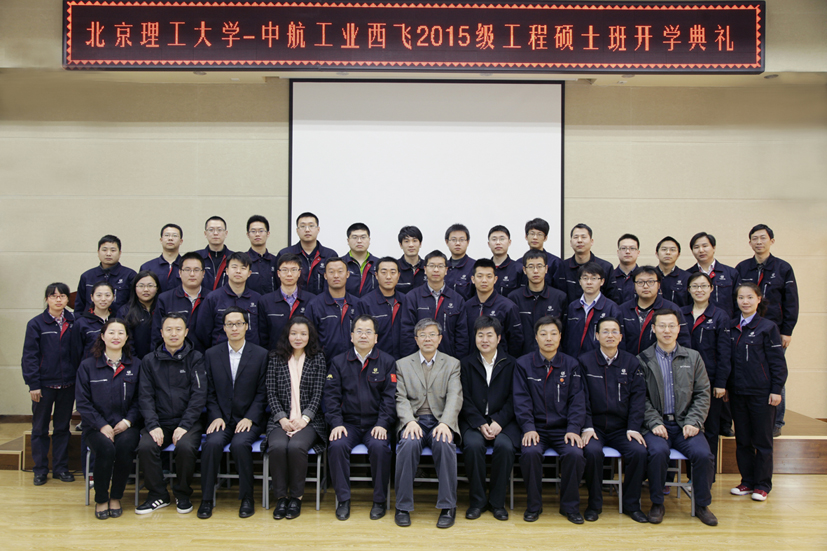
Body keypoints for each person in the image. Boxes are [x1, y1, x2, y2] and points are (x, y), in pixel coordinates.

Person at [638, 309, 718, 526]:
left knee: (703, 455)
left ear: (678, 329)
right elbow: (640, 398)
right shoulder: (643, 359)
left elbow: (703, 393)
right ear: (653, 329)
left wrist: (694, 421)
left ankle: (702, 504)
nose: (667, 330)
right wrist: (654, 422)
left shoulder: (693, 357)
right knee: (657, 453)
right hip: (656, 425)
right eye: (662, 326)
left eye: (671, 326)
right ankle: (657, 503)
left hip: (685, 424)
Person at [513, 316, 587, 524]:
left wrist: (573, 429)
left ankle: (570, 507)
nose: (548, 338)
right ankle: (533, 506)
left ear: (560, 337)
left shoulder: (571, 364)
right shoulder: (523, 364)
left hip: (564, 429)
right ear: (536, 337)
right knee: (530, 453)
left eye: (553, 334)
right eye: (543, 334)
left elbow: (577, 400)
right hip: (535, 428)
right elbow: (521, 399)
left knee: (575, 453)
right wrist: (528, 428)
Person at [198, 308, 268, 520]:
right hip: (221, 418)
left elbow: (263, 393)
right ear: (224, 327)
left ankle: (247, 498)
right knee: (211, 444)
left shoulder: (261, 354)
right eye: (230, 324)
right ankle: (206, 499)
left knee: (240, 445)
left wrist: (250, 417)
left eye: (239, 323)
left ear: (246, 326)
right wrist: (216, 415)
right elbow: (208, 391)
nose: (234, 328)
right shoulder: (211, 354)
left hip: (248, 419)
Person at [325, 315, 396, 521]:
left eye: (368, 332)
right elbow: (331, 397)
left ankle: (379, 501)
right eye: (359, 331)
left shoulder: (387, 362)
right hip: (348, 423)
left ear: (376, 337)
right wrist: (336, 424)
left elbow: (390, 398)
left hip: (376, 423)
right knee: (337, 444)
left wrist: (383, 424)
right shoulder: (339, 362)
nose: (363, 336)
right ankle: (343, 500)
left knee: (380, 447)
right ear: (351, 336)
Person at [394, 319, 463, 529]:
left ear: (439, 339)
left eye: (432, 335)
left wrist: (446, 423)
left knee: (444, 444)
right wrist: (408, 421)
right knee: (408, 444)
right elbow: (400, 397)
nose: (427, 339)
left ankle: (448, 506)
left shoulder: (452, 363)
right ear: (416, 340)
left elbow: (455, 397)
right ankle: (402, 507)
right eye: (423, 335)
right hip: (414, 420)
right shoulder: (402, 364)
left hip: (440, 421)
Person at [580, 317, 649, 523]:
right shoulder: (584, 362)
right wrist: (587, 426)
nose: (610, 335)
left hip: (622, 428)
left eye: (614, 332)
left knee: (639, 452)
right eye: (605, 331)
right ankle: (594, 504)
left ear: (620, 336)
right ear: (596, 336)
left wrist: (633, 428)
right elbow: (580, 398)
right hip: (595, 427)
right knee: (592, 452)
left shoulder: (632, 362)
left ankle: (631, 504)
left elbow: (638, 398)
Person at [136, 313, 207, 515]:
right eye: (169, 329)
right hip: (159, 421)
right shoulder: (149, 361)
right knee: (146, 446)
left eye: (178, 329)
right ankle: (157, 494)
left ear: (186, 332)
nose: (173, 334)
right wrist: (153, 425)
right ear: (161, 333)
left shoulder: (196, 358)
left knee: (185, 447)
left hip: (188, 422)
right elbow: (145, 396)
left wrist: (184, 425)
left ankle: (182, 493)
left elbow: (199, 395)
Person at [735, 224, 798, 437]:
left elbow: (791, 301)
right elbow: (735, 300)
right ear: (750, 242)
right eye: (755, 238)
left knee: (775, 372)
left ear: (772, 241)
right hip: (745, 330)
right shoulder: (742, 268)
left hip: (773, 330)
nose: (759, 242)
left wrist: (787, 331)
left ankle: (776, 421)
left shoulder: (783, 268)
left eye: (763, 238)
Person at [75, 319, 141, 520]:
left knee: (124, 447)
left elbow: (141, 399)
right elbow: (83, 402)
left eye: (121, 333)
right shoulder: (87, 366)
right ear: (103, 337)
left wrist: (127, 422)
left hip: (126, 425)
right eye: (111, 332)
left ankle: (116, 497)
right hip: (95, 427)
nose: (116, 337)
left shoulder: (136, 365)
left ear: (126, 337)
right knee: (105, 448)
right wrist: (101, 425)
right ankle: (101, 498)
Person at [728, 283, 788, 502]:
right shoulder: (731, 326)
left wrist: (776, 390)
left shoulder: (768, 327)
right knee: (743, 440)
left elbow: (777, 363)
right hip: (737, 393)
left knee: (762, 441)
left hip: (762, 393)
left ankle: (762, 485)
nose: (745, 301)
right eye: (741, 298)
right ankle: (747, 481)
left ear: (759, 299)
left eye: (750, 297)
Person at [266, 316, 327, 520]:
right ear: (287, 335)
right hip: (280, 420)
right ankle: (281, 497)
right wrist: (282, 419)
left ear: (310, 336)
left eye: (303, 333)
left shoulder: (318, 358)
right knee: (277, 446)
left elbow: (318, 393)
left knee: (296, 447)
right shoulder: (275, 358)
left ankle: (296, 497)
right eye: (294, 333)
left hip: (309, 421)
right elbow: (271, 393)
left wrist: (304, 419)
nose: (298, 338)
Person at [459, 317, 519, 521]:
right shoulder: (465, 364)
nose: (484, 340)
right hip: (473, 420)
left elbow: (515, 398)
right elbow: (463, 398)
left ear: (499, 338)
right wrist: (479, 422)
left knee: (505, 447)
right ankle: (477, 502)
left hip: (504, 421)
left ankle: (497, 503)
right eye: (480, 335)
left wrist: (499, 421)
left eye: (489, 335)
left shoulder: (512, 363)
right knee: (473, 446)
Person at [21, 283, 76, 486]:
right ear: (47, 299)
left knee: (62, 428)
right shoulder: (36, 324)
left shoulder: (74, 321)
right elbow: (30, 356)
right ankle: (40, 470)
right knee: (40, 429)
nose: (58, 299)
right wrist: (33, 384)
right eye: (53, 296)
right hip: (43, 386)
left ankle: (61, 468)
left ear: (67, 299)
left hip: (68, 384)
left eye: (62, 296)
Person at [681, 272, 731, 462]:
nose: (699, 290)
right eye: (695, 286)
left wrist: (721, 383)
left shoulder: (720, 316)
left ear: (711, 289)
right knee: (683, 424)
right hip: (683, 378)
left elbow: (724, 352)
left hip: (709, 380)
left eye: (703, 286)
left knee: (710, 427)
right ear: (689, 290)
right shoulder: (681, 313)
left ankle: (708, 473)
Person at [399, 250, 468, 359]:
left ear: (446, 270)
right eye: (432, 266)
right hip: (418, 359)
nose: (436, 270)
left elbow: (461, 335)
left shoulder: (457, 299)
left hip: (448, 360)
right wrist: (411, 360)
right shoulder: (412, 297)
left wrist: (458, 362)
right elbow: (407, 332)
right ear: (425, 269)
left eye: (440, 266)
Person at [195, 252, 262, 350]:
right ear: (226, 271)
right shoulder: (213, 298)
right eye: (234, 267)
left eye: (243, 268)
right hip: (220, 353)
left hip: (251, 353)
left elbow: (262, 331)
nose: (238, 271)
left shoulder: (257, 299)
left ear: (249, 273)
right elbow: (203, 331)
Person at [618, 266, 691, 355]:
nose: (645, 286)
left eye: (651, 282)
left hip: (662, 361)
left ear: (659, 285)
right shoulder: (623, 310)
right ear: (634, 286)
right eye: (640, 282)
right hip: (630, 361)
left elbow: (683, 341)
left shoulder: (671, 309)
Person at [508, 250, 567, 356]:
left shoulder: (559, 297)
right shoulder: (514, 297)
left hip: (552, 357)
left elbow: (565, 331)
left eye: (539, 266)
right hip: (522, 357)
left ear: (546, 269)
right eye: (531, 267)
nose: (535, 271)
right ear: (524, 270)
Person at [304, 258, 362, 362]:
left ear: (347, 274)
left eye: (340, 271)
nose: (336, 276)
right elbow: (309, 338)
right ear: (325, 276)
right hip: (324, 363)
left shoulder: (357, 304)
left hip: (354, 363)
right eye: (331, 272)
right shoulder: (314, 305)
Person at [463, 259, 523, 358]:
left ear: (495, 279)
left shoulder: (508, 307)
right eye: (480, 276)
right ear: (473, 279)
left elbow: (516, 340)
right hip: (472, 363)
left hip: (500, 363)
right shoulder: (466, 306)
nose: (484, 280)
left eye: (489, 276)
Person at [563, 262, 622, 357]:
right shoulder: (573, 306)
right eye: (585, 278)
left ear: (602, 281)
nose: (589, 282)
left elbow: (619, 340)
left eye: (594, 278)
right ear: (580, 281)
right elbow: (566, 337)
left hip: (598, 360)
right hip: (574, 359)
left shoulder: (611, 308)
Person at [151, 251, 206, 351]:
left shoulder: (212, 298)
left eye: (196, 270)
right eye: (187, 270)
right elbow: (157, 334)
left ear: (203, 273)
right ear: (180, 273)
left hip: (203, 355)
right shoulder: (165, 299)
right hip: (172, 356)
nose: (192, 274)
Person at [258, 253, 313, 351]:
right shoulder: (265, 301)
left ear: (299, 273)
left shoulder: (311, 300)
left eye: (293, 270)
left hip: (304, 355)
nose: (289, 274)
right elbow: (263, 336)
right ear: (278, 273)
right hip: (275, 355)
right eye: (284, 270)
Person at [277, 212, 338, 296]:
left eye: (311, 226)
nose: (307, 230)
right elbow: (278, 282)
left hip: (322, 303)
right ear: (297, 230)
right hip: (294, 302)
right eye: (302, 226)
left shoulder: (330, 255)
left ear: (318, 229)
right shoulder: (285, 254)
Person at [356, 257, 405, 359]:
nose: (388, 277)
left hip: (404, 359)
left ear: (398, 275)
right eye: (383, 272)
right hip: (376, 360)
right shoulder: (365, 303)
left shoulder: (406, 300)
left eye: (393, 272)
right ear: (376, 275)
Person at [74, 235, 137, 315]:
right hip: (90, 321)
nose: (108, 254)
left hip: (120, 321)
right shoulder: (87, 276)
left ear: (120, 253)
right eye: (104, 250)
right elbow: (79, 306)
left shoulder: (130, 275)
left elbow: (134, 304)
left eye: (113, 250)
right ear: (98, 252)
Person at [553, 224, 614, 304]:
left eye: (583, 237)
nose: (579, 240)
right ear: (571, 242)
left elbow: (612, 298)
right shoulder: (561, 266)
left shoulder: (605, 267)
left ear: (591, 241)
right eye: (576, 237)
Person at [687, 232, 740, 319]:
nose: (701, 250)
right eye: (696, 247)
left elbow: (738, 302)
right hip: (696, 323)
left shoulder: (731, 273)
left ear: (714, 248)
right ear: (692, 251)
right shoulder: (688, 275)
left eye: (705, 246)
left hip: (725, 322)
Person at [117, 270, 160, 360]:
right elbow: (126, 342)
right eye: (141, 286)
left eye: (150, 285)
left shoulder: (162, 308)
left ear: (157, 288)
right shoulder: (125, 311)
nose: (146, 289)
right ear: (134, 288)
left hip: (161, 361)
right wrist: (135, 362)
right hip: (134, 361)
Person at [71, 281, 115, 365]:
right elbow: (75, 354)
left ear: (113, 297)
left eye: (107, 295)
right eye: (99, 295)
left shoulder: (118, 319)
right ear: (92, 297)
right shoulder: (81, 323)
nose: (103, 299)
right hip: (90, 369)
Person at [140, 224, 183, 293]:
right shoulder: (147, 267)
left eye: (175, 235)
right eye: (167, 235)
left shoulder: (187, 266)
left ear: (181, 241)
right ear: (161, 240)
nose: (170, 238)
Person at [519, 218, 562, 287]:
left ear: (545, 238)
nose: (535, 237)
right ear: (526, 236)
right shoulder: (519, 263)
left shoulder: (555, 262)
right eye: (532, 234)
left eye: (539, 234)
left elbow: (559, 289)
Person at [342, 223, 379, 298]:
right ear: (348, 241)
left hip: (372, 304)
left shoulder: (379, 264)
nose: (359, 241)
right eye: (354, 237)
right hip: (347, 304)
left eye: (363, 237)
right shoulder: (340, 263)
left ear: (369, 240)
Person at [245, 215, 279, 296]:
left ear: (268, 233)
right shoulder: (243, 260)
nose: (257, 234)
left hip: (271, 303)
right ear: (248, 234)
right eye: (253, 231)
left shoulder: (276, 261)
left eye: (261, 231)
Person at [198, 216, 233, 294]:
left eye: (219, 230)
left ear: (226, 233)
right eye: (211, 230)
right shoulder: (196, 257)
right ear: (205, 234)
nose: (215, 233)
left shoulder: (234, 258)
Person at [488, 225, 523, 297]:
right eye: (494, 239)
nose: (498, 243)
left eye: (502, 239)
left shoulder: (518, 269)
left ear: (509, 242)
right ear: (489, 244)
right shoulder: (483, 268)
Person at [655, 237, 690, 307]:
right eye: (664, 249)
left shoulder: (687, 277)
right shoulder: (649, 276)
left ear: (678, 255)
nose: (668, 252)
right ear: (657, 254)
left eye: (672, 250)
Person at [444, 223, 475, 300]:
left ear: (468, 242)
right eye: (453, 240)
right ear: (447, 242)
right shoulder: (442, 266)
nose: (457, 243)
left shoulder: (475, 266)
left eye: (461, 240)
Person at [610, 234, 640, 305]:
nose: (627, 252)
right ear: (618, 252)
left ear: (638, 253)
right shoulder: (610, 277)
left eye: (632, 248)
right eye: (623, 248)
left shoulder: (643, 278)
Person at [396, 225, 426, 295]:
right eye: (406, 241)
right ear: (401, 245)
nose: (411, 245)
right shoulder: (394, 268)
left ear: (420, 244)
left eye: (414, 241)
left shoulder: (428, 267)